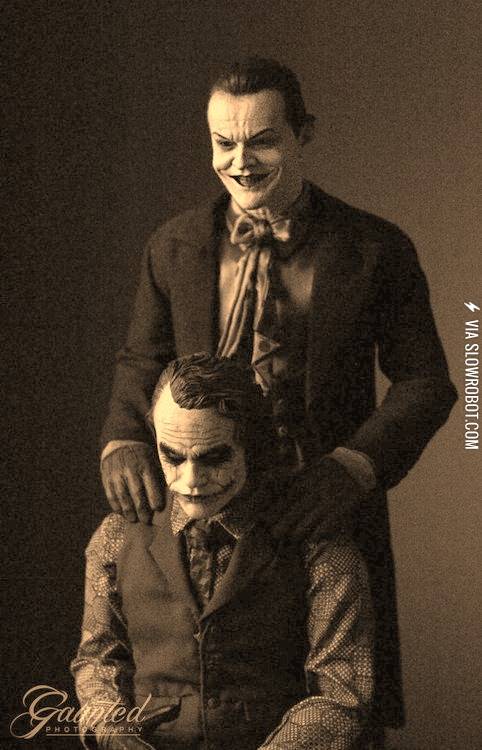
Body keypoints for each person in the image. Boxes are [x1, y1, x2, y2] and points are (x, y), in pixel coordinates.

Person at [99, 57, 457, 736]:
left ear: (304, 134)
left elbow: (428, 383)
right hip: (203, 511)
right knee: (198, 695)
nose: (241, 163)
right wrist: (123, 436)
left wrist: (352, 468)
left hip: (318, 517)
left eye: (262, 141)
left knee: (334, 713)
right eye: (223, 144)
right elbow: (142, 358)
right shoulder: (172, 245)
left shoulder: (376, 249)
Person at [73, 354, 374, 750]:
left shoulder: (319, 543)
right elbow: (97, 659)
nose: (191, 481)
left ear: (251, 445)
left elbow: (341, 690)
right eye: (172, 456)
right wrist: (113, 732)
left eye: (214, 457)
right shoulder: (116, 537)